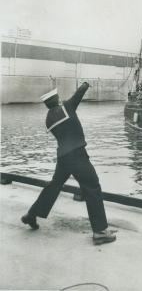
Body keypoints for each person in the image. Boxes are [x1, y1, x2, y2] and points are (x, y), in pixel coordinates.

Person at [21, 82, 117, 245]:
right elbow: (78, 95)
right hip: (78, 156)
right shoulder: (66, 107)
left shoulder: (49, 118)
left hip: (63, 158)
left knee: (54, 186)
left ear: (46, 104)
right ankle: (100, 232)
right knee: (92, 186)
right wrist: (86, 84)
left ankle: (32, 215)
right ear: (57, 99)